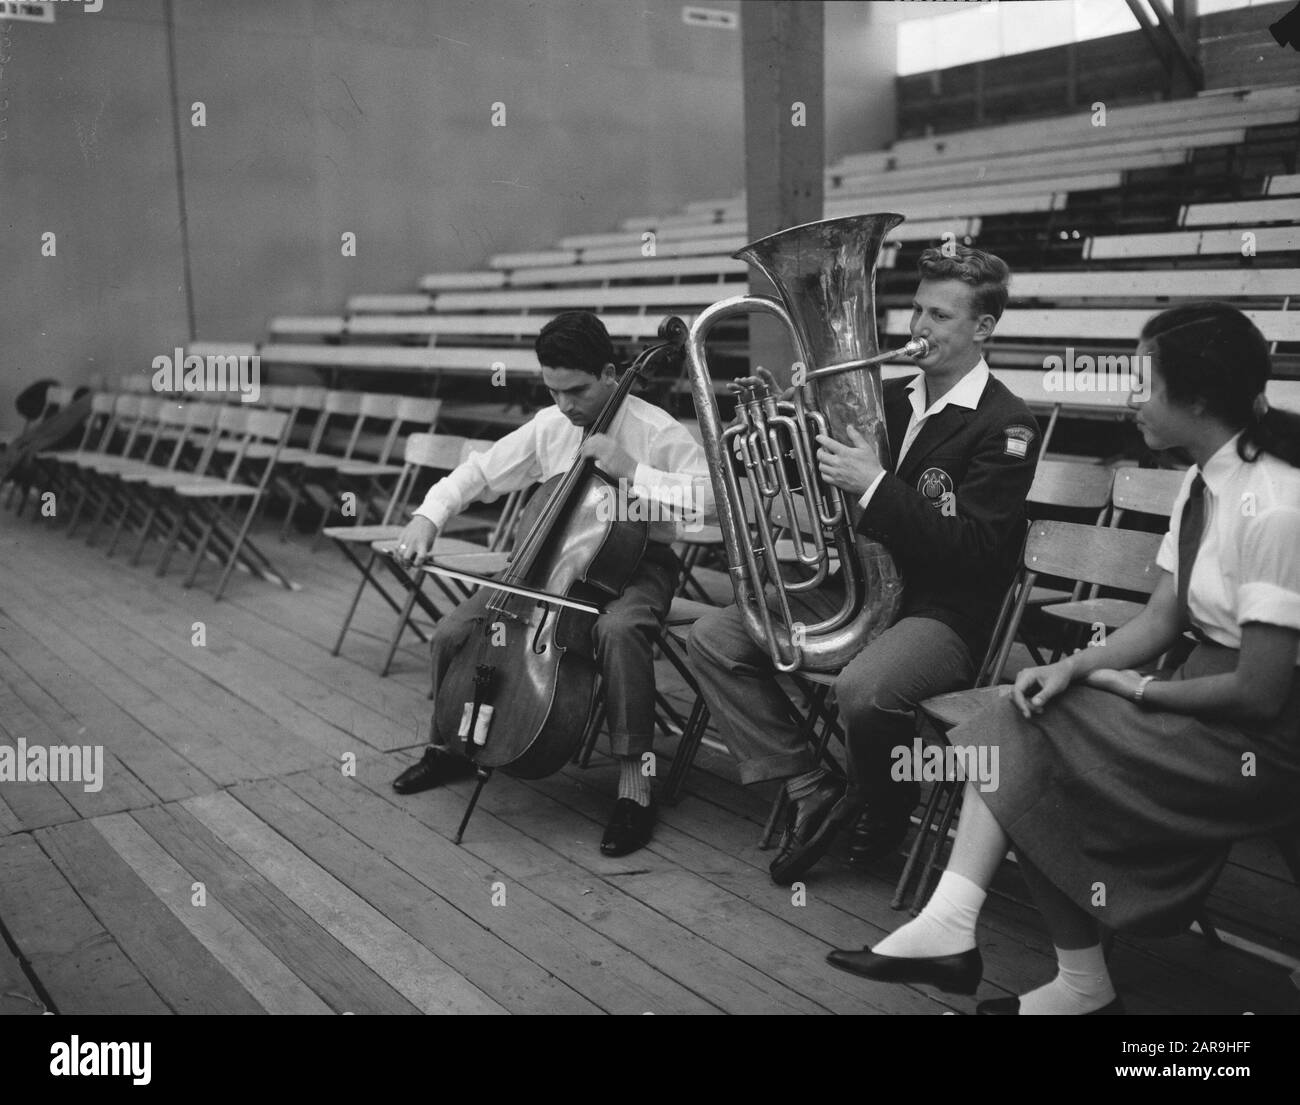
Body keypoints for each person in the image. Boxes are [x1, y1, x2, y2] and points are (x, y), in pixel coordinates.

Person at [826, 302, 1300, 1014]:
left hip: (1255, 735)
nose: (1132, 395)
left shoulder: (1277, 505)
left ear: (1197, 399)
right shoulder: (1202, 481)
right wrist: (1076, 668)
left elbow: (1262, 694)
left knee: (1021, 737)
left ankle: (1031, 960)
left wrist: (1138, 693)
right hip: (1195, 694)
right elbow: (1162, 617)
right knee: (1020, 706)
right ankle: (1010, 953)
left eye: (1147, 381)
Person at [687, 244, 1040, 885]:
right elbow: (814, 474)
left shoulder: (1006, 423)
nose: (919, 327)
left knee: (864, 691)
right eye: (917, 309)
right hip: (859, 589)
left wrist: (875, 486)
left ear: (983, 328)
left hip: (945, 612)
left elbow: (978, 552)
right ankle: (808, 784)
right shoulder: (886, 398)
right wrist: (769, 427)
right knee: (713, 637)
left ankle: (886, 799)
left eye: (940, 316)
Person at [389, 311, 712, 856]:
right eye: (553, 391)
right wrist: (428, 515)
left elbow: (708, 502)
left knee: (619, 630)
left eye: (577, 390)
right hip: (547, 565)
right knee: (451, 632)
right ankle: (450, 745)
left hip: (637, 564)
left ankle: (635, 786)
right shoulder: (551, 424)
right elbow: (481, 472)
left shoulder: (656, 429)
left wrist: (633, 469)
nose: (566, 405)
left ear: (611, 373)